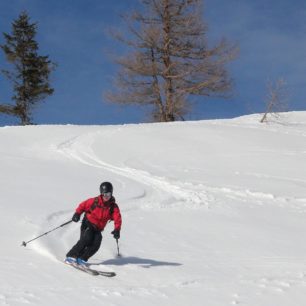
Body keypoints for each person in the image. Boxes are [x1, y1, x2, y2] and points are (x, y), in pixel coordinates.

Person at [65, 182, 122, 265]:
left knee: (97, 242)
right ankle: (71, 256)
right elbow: (82, 206)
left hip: (98, 228)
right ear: (101, 193)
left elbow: (118, 218)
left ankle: (82, 258)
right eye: (105, 194)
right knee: (87, 238)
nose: (107, 196)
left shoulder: (113, 207)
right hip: (88, 223)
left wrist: (117, 229)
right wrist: (77, 214)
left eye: (109, 194)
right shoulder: (94, 201)